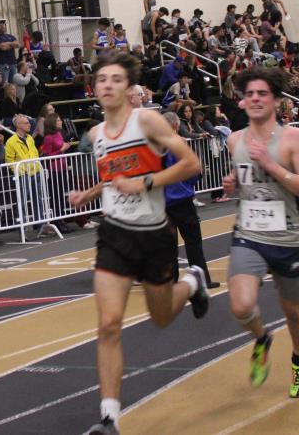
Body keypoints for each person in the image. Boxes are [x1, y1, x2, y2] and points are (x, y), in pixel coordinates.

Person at [68, 51, 208, 435]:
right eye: (102, 79)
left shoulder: (146, 121)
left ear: (129, 87)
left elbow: (191, 163)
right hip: (114, 235)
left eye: (116, 79)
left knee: (161, 317)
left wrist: (145, 183)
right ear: (94, 88)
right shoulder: (95, 135)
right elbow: (113, 175)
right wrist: (89, 193)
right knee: (108, 323)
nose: (108, 85)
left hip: (154, 235)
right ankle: (109, 418)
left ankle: (192, 281)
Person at [221, 67, 299, 400]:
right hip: (249, 235)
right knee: (241, 306)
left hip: (287, 238)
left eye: (262, 93)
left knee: (293, 310)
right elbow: (246, 181)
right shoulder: (235, 140)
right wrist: (233, 184)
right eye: (250, 94)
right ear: (242, 101)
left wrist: (272, 165)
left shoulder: (293, 139)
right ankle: (262, 338)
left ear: (276, 100)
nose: (255, 99)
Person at [162, 112, 218, 288]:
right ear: (175, 125)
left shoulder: (155, 147)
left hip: (163, 202)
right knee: (193, 243)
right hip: (182, 198)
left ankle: (170, 282)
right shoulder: (179, 145)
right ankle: (202, 279)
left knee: (168, 246)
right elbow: (193, 171)